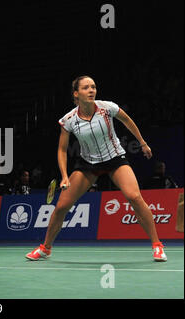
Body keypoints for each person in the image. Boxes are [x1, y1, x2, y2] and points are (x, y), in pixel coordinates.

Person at [25, 75, 167, 262]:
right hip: (88, 164)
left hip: (114, 158)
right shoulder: (68, 120)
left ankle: (157, 245)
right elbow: (62, 150)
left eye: (93, 87)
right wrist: (64, 176)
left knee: (134, 197)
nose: (91, 90)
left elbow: (127, 121)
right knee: (61, 207)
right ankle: (45, 248)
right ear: (76, 94)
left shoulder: (107, 108)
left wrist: (142, 143)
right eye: (86, 88)